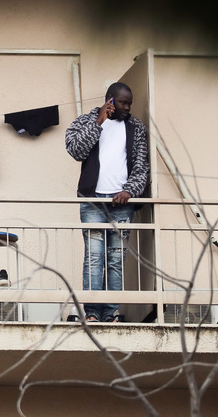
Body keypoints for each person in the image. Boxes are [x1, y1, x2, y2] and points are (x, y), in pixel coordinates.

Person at [64, 81, 150, 323]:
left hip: (121, 204)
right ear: (110, 100)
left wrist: (130, 191)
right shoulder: (86, 121)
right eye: (123, 103)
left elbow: (142, 165)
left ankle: (111, 313)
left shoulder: (136, 127)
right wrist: (98, 123)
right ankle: (92, 312)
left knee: (116, 260)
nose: (128, 108)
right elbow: (76, 151)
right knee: (93, 258)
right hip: (92, 202)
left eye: (130, 103)